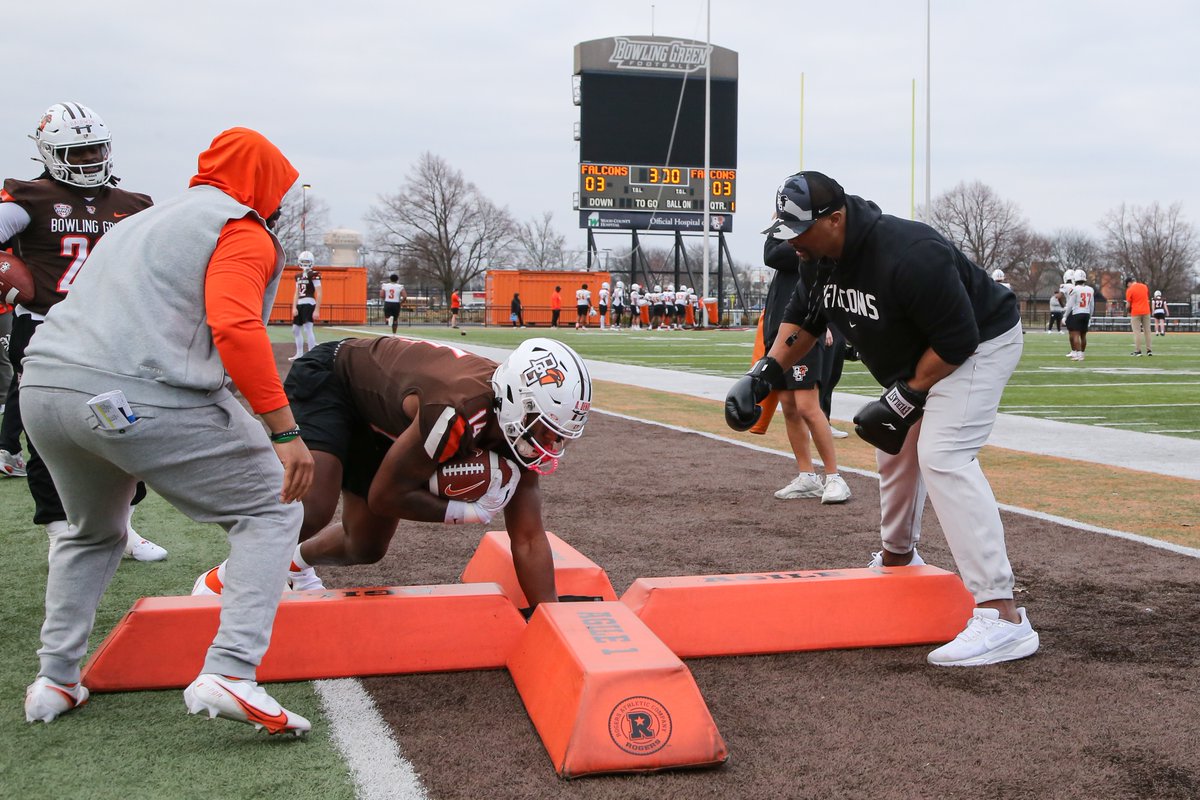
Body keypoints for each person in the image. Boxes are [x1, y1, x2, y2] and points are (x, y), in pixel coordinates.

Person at [20, 127, 315, 734]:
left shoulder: (137, 221)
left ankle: (56, 679)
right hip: (131, 393)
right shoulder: (238, 227)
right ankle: (232, 668)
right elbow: (234, 326)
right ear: (264, 183)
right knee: (273, 509)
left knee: (91, 531)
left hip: (44, 389)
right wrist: (284, 432)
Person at [727, 171, 1038, 667]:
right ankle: (898, 560)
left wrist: (906, 396)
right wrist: (764, 372)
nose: (792, 244)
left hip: (978, 343)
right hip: (926, 351)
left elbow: (957, 341)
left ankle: (1003, 617)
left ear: (835, 218)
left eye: (799, 231)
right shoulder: (818, 256)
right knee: (892, 449)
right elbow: (805, 318)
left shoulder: (910, 252)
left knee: (943, 455)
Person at [193, 337, 592, 615]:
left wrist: (549, 617)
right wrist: (463, 512)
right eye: (544, 429)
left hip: (388, 418)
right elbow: (387, 495)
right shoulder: (456, 410)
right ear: (515, 404)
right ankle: (222, 580)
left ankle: (296, 565)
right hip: (337, 380)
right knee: (313, 507)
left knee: (365, 545)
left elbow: (528, 536)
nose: (550, 444)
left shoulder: (511, 426)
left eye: (559, 435)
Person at [0, 102, 165, 559]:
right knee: (49, 431)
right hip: (45, 329)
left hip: (114, 330)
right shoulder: (29, 198)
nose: (91, 160)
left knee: (125, 430)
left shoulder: (133, 205)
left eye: (96, 150)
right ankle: (59, 528)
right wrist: (9, 283)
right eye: (79, 152)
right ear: (51, 154)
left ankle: (122, 528)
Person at [761, 236, 851, 504]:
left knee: (807, 406)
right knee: (788, 405)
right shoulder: (792, 246)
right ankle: (807, 475)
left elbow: (773, 256)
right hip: (779, 328)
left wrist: (826, 325)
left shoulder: (811, 248)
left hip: (804, 331)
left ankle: (834, 477)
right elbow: (772, 255)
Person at [289, 251, 321, 360]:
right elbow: (296, 292)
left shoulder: (314, 274)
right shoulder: (298, 276)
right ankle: (299, 353)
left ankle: (312, 354)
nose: (305, 263)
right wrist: (294, 307)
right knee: (295, 329)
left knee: (308, 329)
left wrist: (317, 309)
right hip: (300, 304)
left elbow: (319, 292)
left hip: (309, 302)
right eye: (303, 261)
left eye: (307, 261)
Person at [1064, 269, 1094, 361]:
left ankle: (1079, 355)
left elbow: (1070, 304)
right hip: (1086, 313)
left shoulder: (1075, 289)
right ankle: (1082, 353)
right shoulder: (1090, 289)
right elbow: (1092, 305)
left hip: (1077, 313)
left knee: (1075, 334)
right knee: (1083, 336)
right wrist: (1090, 316)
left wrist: (1065, 315)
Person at [1124, 276, 1152, 356]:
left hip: (1136, 312)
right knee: (1147, 331)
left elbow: (1128, 305)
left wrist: (1127, 310)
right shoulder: (1144, 287)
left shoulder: (1130, 290)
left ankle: (1138, 350)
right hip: (1146, 311)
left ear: (1129, 283)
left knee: (1137, 332)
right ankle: (1149, 350)